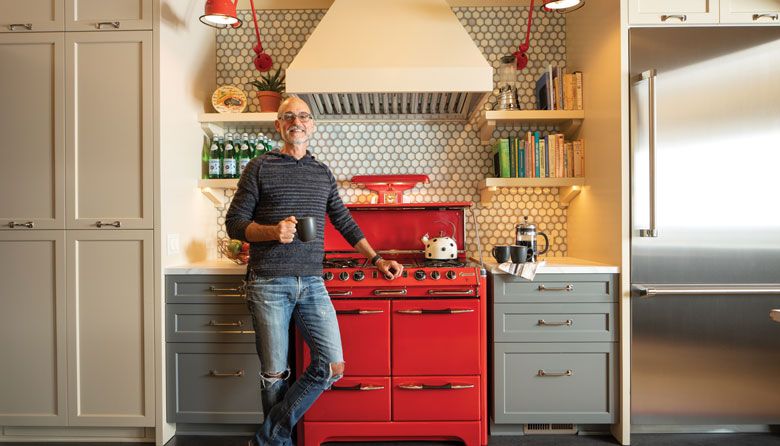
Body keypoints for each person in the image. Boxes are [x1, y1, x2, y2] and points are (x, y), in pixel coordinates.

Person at [225, 97, 403, 446]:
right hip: (268, 282)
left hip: (311, 282)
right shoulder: (258, 167)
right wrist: (272, 231)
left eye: (304, 116)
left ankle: (266, 439)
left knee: (332, 366)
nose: (297, 121)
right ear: (278, 125)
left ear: (313, 125)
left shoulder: (321, 172)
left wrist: (377, 259)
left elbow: (344, 221)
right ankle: (277, 443)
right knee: (274, 373)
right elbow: (235, 223)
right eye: (289, 116)